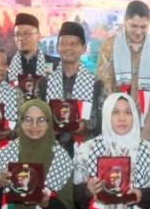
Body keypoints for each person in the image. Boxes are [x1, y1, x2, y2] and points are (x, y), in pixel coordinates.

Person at [96, 0, 150, 140]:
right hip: (116, 120)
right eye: (134, 26)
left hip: (148, 120)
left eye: (144, 27)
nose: (139, 32)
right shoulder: (109, 45)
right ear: (125, 20)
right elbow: (106, 87)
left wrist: (147, 127)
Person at [37, 21, 104, 157]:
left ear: (84, 48)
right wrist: (49, 126)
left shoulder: (96, 84)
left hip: (87, 152)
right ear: (57, 47)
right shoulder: (44, 83)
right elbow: (37, 116)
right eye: (63, 43)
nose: (68, 48)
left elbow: (104, 122)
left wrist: (86, 125)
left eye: (73, 44)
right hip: (52, 151)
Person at [6, 13, 60, 98]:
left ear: (38, 36)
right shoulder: (6, 65)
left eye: (26, 34)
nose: (21, 38)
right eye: (17, 34)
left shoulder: (55, 64)